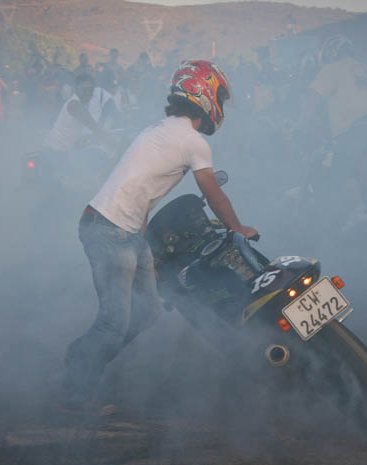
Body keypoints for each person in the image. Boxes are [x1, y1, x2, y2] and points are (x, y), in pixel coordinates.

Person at [62, 60, 257, 410]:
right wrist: (238, 229)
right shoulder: (192, 141)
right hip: (109, 229)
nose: (222, 107)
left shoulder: (157, 129)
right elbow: (214, 195)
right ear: (204, 95)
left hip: (123, 229)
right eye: (220, 98)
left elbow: (142, 190)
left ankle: (83, 356)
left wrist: (144, 253)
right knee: (113, 323)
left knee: (149, 309)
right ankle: (75, 388)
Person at [296, 35, 367, 209]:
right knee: (366, 175)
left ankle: (358, 212)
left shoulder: (333, 68)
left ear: (330, 54)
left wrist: (300, 128)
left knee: (341, 172)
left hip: (355, 130)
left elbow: (312, 100)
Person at [41, 72, 104, 178]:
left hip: (59, 152)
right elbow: (94, 126)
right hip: (55, 153)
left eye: (90, 90)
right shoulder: (75, 104)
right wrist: (108, 139)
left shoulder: (80, 103)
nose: (87, 93)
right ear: (76, 89)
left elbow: (77, 129)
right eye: (84, 89)